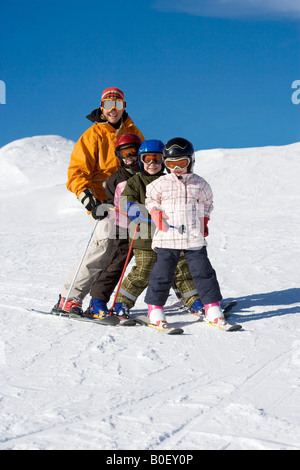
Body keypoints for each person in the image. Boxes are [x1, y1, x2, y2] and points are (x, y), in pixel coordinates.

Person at [52, 87, 144, 315]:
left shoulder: (133, 131)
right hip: (104, 203)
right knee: (102, 246)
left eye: (119, 105)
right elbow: (76, 173)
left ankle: (187, 294)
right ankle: (69, 299)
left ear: (124, 107)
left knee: (147, 245)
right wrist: (90, 201)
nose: (114, 110)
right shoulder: (92, 136)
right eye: (109, 105)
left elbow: (144, 164)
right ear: (102, 108)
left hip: (130, 203)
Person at [113, 139, 204, 317]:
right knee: (144, 270)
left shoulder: (170, 180)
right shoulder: (135, 181)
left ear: (164, 160)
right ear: (140, 160)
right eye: (147, 159)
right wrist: (131, 206)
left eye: (156, 159)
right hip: (144, 235)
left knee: (180, 268)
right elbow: (125, 199)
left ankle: (194, 301)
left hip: (169, 234)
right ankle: (121, 303)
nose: (152, 164)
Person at [144, 137, 223, 330]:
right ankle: (155, 309)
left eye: (181, 163)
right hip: (167, 236)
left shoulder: (200, 184)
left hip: (193, 236)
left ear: (191, 161)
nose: (176, 168)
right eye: (171, 164)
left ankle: (212, 307)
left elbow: (207, 203)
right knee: (162, 274)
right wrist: (155, 211)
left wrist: (204, 220)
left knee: (203, 272)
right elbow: (150, 199)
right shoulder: (160, 183)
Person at [86, 133, 143, 318]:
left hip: (147, 229)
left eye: (134, 153)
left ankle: (189, 296)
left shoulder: (149, 174)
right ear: (119, 156)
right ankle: (97, 301)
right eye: (126, 153)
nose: (130, 158)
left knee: (165, 260)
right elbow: (112, 202)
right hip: (123, 228)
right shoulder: (114, 180)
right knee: (116, 263)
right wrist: (104, 207)